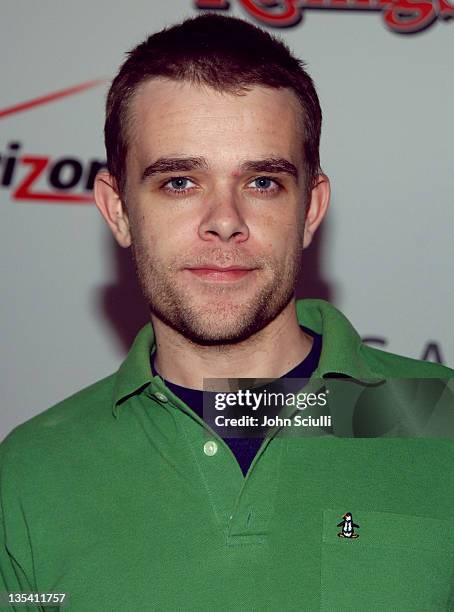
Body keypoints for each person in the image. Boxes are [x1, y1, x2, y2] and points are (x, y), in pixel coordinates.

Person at [1, 14, 454, 611]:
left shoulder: (439, 420)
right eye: (179, 182)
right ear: (117, 210)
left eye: (263, 181)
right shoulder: (31, 472)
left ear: (311, 209)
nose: (225, 220)